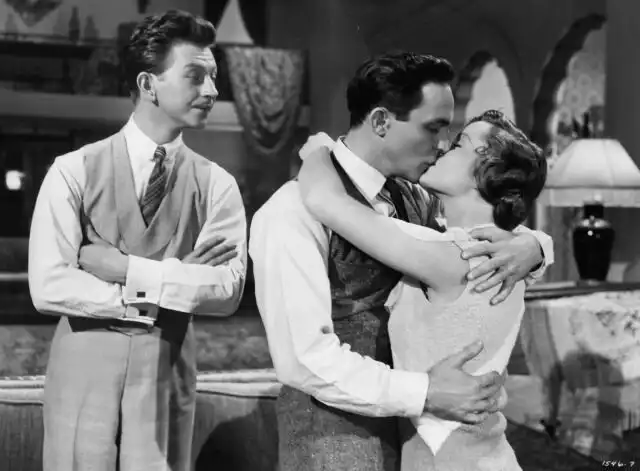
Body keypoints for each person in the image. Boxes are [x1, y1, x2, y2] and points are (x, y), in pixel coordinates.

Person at [249, 52, 553, 471]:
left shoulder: (416, 199)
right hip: (335, 443)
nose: (442, 144)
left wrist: (534, 246)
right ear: (380, 122)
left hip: (422, 443)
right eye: (433, 128)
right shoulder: (291, 211)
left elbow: (468, 240)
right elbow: (304, 358)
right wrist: (424, 392)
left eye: (451, 134)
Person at [28, 10, 247, 471]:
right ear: (149, 85)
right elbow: (49, 286)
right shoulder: (72, 170)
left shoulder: (217, 185)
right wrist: (167, 288)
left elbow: (226, 291)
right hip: (81, 376)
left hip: (165, 376)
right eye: (196, 76)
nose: (212, 91)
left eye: (213, 77)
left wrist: (127, 270)